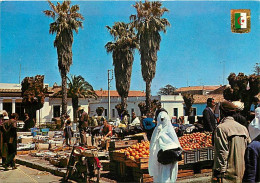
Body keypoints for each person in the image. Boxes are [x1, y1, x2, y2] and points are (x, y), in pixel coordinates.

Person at [212, 100, 251, 183]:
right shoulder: (243, 128)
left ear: (222, 112)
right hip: (242, 171)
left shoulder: (221, 128)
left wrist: (218, 172)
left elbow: (222, 152)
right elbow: (249, 148)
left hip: (227, 174)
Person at [148, 110, 181, 182]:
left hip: (163, 159)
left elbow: (153, 148)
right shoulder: (168, 129)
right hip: (165, 160)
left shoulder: (158, 130)